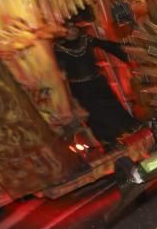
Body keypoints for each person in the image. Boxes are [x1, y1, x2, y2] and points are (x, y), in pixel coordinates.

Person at [53, 20, 141, 149]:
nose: (73, 30)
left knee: (111, 105)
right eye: (69, 28)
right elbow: (60, 73)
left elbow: (108, 46)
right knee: (95, 114)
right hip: (80, 88)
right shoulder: (58, 49)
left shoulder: (86, 40)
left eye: (74, 26)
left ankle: (131, 127)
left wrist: (127, 52)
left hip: (97, 81)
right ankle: (108, 141)